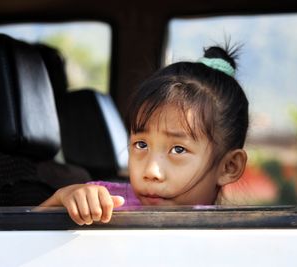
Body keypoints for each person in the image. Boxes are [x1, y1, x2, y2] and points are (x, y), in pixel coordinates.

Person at [40, 45, 249, 225]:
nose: (151, 171)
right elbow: (19, 242)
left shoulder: (229, 237)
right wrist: (61, 201)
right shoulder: (104, 203)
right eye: (141, 145)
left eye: (178, 149)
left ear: (229, 167)